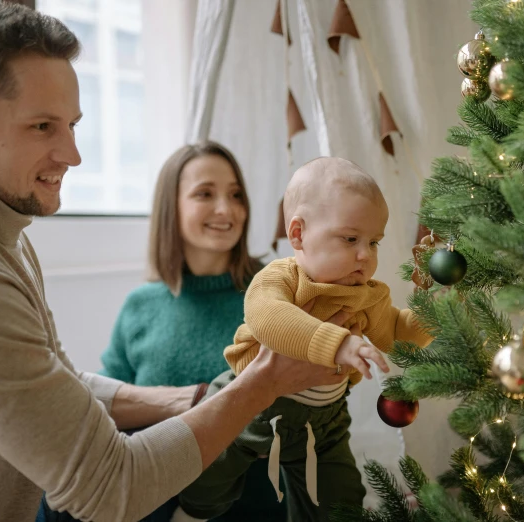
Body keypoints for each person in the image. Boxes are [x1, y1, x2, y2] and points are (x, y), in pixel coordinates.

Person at [0, 5, 347, 521]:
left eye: (72, 124)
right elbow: (111, 488)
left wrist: (189, 398)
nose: (73, 154)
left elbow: (66, 379)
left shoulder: (0, 231)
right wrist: (263, 382)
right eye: (41, 126)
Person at [39, 141, 288, 521]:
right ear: (172, 206)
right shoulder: (141, 305)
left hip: (246, 502)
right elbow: (106, 414)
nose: (226, 209)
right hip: (151, 500)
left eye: (236, 194)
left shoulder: (274, 293)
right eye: (205, 193)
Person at [174, 158, 434, 522]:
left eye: (374, 242)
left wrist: (438, 312)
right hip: (248, 404)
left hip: (324, 422)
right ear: (298, 234)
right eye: (350, 238)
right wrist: (338, 343)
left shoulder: (367, 295)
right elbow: (269, 319)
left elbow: (396, 333)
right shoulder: (281, 277)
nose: (365, 254)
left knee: (339, 499)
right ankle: (190, 514)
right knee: (206, 478)